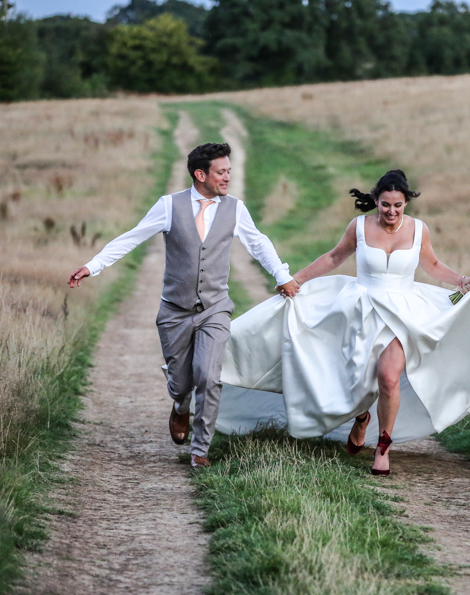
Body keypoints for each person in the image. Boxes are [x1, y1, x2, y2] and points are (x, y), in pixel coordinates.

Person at [215, 169, 470, 475]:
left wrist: (462, 281)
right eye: (386, 204)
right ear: (376, 200)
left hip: (402, 312)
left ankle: (383, 445)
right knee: (356, 375)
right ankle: (361, 416)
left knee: (387, 377)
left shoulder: (418, 229)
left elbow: (433, 264)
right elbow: (333, 257)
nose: (392, 212)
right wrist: (294, 279)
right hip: (361, 307)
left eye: (398, 205)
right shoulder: (359, 226)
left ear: (406, 203)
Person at [67, 143, 299, 468]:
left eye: (229, 171)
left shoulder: (235, 209)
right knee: (181, 382)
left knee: (208, 376)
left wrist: (281, 275)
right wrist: (94, 265)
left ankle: (200, 448)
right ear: (200, 174)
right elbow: (132, 237)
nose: (227, 177)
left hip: (215, 309)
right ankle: (180, 406)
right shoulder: (168, 206)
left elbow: (259, 243)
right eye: (222, 172)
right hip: (174, 311)